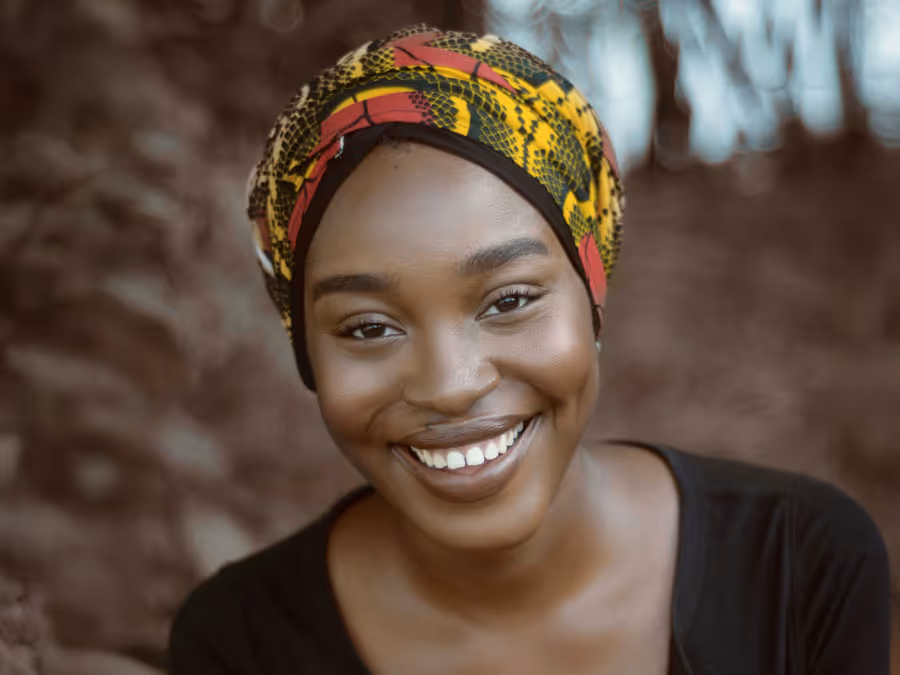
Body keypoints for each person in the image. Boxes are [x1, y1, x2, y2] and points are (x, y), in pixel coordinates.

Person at [168, 25, 891, 675]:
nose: (450, 386)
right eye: (368, 327)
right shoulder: (240, 644)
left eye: (508, 301)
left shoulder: (796, 567)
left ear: (592, 296)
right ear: (307, 353)